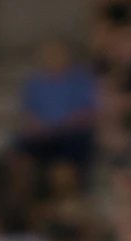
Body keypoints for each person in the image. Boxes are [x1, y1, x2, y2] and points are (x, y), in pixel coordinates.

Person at [17, 39, 98, 181]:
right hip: (43, 135)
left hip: (71, 134)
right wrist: (39, 127)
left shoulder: (80, 80)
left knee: (76, 144)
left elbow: (89, 111)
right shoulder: (35, 84)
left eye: (58, 54)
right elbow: (28, 114)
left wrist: (63, 126)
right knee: (20, 147)